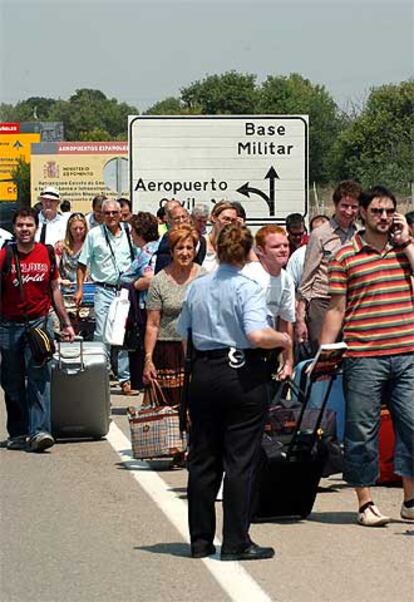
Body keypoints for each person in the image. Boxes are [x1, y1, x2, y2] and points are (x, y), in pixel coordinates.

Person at [176, 223, 292, 560]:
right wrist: (283, 339)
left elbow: (185, 333)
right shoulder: (246, 287)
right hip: (240, 373)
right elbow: (256, 335)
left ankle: (200, 540)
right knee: (240, 460)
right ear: (247, 253)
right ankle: (236, 540)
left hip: (204, 371)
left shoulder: (197, 287)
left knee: (203, 458)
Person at [320, 185, 414, 526]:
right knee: (362, 430)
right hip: (364, 355)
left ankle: (410, 499)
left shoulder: (404, 249)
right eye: (377, 211)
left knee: (412, 425)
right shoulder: (344, 256)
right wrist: (324, 355)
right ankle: (365, 501)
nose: (385, 217)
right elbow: (336, 309)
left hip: (407, 353)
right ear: (362, 213)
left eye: (390, 211)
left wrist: (406, 243)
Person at [0, 208, 75, 452]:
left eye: (29, 225)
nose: (24, 229)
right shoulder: (4, 256)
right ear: (14, 228)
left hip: (39, 323)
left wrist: (65, 322)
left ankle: (40, 431)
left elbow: (54, 289)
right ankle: (19, 432)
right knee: (12, 381)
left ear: (35, 227)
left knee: (39, 378)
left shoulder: (47, 253)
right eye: (20, 225)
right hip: (8, 325)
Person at [144, 224, 204, 465]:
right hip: (167, 348)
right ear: (172, 250)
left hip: (198, 347)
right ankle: (176, 448)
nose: (185, 252)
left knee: (197, 399)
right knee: (171, 400)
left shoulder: (205, 276)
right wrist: (148, 359)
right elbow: (152, 324)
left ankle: (197, 448)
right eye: (180, 248)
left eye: (190, 248)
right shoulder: (159, 281)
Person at [74, 199, 137, 395]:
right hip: (103, 289)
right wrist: (80, 289)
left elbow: (139, 258)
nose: (110, 216)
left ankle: (125, 379)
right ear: (101, 214)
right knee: (101, 333)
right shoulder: (94, 235)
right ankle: (101, 375)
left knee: (122, 333)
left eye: (114, 213)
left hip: (125, 289)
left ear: (120, 214)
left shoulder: (129, 232)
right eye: (106, 213)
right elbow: (83, 263)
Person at [296, 181, 362, 353]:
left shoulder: (360, 234)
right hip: (323, 302)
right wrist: (301, 316)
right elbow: (307, 276)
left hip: (352, 303)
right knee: (324, 355)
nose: (349, 211)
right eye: (344, 206)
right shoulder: (320, 235)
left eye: (353, 207)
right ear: (335, 205)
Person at [243, 225, 295, 379]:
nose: (283, 250)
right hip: (243, 350)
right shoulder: (248, 275)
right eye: (275, 246)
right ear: (260, 250)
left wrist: (288, 362)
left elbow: (285, 323)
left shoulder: (287, 279)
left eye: (285, 245)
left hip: (268, 350)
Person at [120, 212, 160, 391]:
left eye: (132, 231)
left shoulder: (147, 252)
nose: (130, 235)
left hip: (147, 307)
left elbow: (148, 277)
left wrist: (134, 284)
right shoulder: (160, 246)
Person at [55, 212, 89, 332]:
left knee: (85, 327)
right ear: (69, 229)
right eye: (75, 228)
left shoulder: (90, 245)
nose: (78, 231)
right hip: (66, 292)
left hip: (86, 291)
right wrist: (59, 278)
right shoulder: (61, 246)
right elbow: (55, 266)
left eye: (81, 228)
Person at [286, 214, 330, 292]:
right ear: (288, 231)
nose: (298, 237)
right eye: (294, 234)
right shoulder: (284, 248)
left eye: (300, 234)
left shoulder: (311, 243)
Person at [202, 201, 239, 273]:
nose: (229, 223)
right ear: (214, 218)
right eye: (226, 219)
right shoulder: (200, 244)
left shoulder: (236, 247)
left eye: (233, 220)